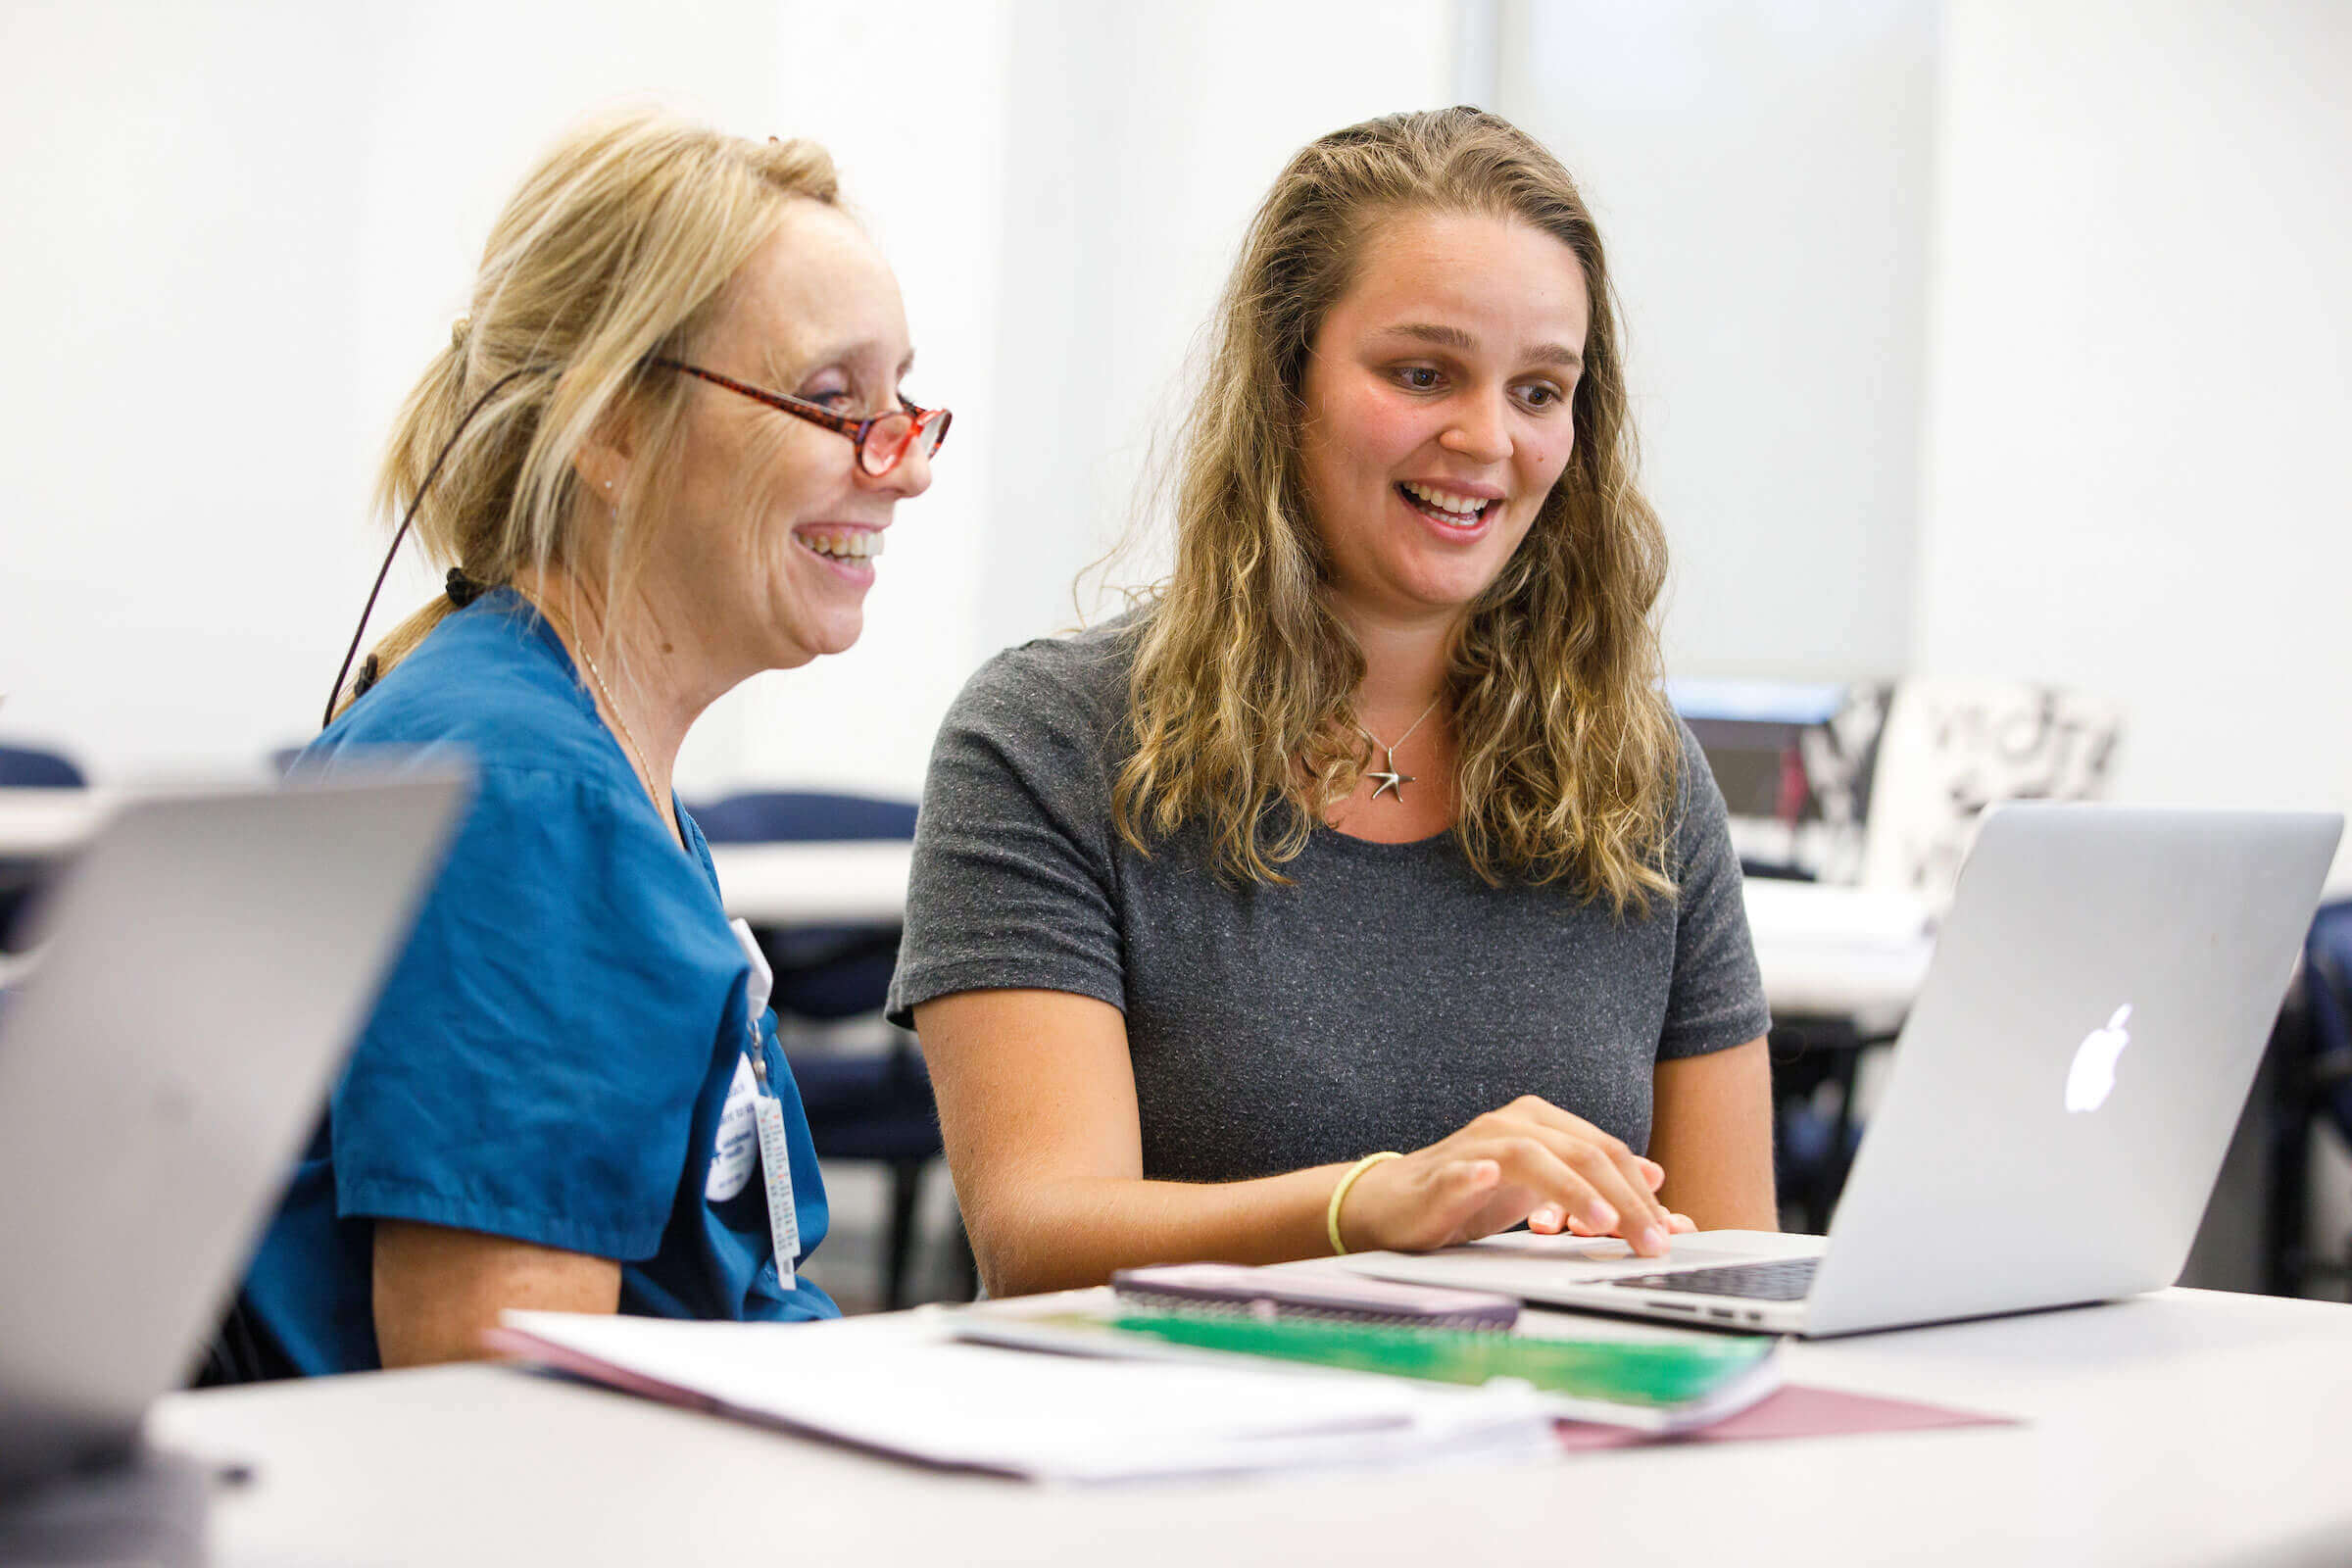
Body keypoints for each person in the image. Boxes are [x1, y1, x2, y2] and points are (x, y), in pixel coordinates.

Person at [888, 107, 1770, 1298]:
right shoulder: (1047, 741)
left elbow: (1728, 1264)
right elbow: (1036, 1234)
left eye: (1539, 391)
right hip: (1176, 1457)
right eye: (1422, 373)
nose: (1486, 439)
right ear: (1285, 376)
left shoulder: (1638, 772)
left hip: (1556, 1453)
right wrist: (1376, 1200)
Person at [225, 110, 947, 1375]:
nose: (902, 468)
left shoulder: (567, 753)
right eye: (832, 400)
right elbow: (493, 1407)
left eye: (903, 404)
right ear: (609, 427)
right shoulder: (529, 795)